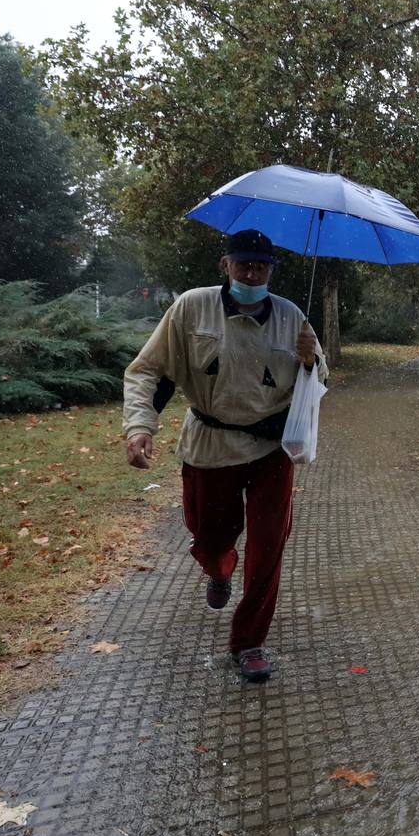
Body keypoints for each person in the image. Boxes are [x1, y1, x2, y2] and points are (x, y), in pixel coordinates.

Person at [123, 229, 323, 682]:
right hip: (210, 445)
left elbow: (317, 382)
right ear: (225, 265)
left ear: (272, 270)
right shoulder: (191, 308)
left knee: (269, 546)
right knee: (209, 536)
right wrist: (140, 427)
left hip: (271, 449)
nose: (252, 273)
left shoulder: (294, 318)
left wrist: (311, 361)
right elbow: (149, 371)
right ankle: (218, 568)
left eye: (261, 267)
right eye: (243, 264)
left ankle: (249, 641)